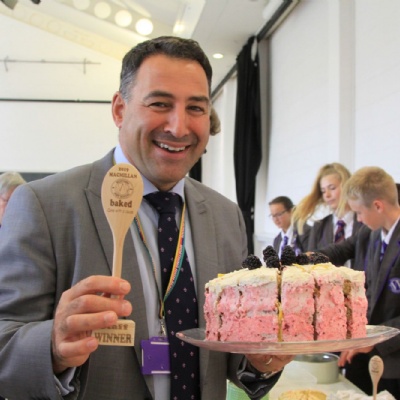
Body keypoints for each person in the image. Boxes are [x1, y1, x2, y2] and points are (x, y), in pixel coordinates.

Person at [0, 36, 292, 400]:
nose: (179, 127)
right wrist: (53, 347)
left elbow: (229, 348)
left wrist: (261, 360)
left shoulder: (224, 215)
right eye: (160, 104)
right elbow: (5, 343)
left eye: (196, 108)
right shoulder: (45, 205)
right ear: (119, 110)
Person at [337, 166, 400, 398]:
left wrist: (376, 340)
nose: (359, 220)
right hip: (367, 351)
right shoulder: (373, 235)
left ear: (378, 205)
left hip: (394, 360)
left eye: (359, 213)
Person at [292, 163, 363, 268]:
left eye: (332, 188)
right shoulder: (319, 227)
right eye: (323, 191)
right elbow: (311, 266)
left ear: (346, 187)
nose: (327, 195)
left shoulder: (364, 222)